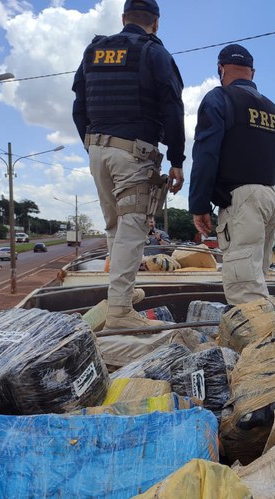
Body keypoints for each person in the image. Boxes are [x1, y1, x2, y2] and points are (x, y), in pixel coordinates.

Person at [72, 0, 185, 329]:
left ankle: (122, 294)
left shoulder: (94, 52)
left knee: (114, 227)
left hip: (97, 149)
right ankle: (120, 312)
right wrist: (177, 160)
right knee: (132, 229)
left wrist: (91, 144)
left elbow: (79, 106)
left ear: (123, 19)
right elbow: (172, 108)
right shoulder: (155, 53)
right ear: (156, 23)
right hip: (134, 153)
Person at [188, 44, 275, 305]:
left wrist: (199, 204)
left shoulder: (219, 98)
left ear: (220, 69)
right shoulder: (272, 109)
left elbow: (206, 154)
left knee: (244, 289)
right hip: (271, 196)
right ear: (253, 72)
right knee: (260, 278)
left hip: (242, 200)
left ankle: (257, 343)